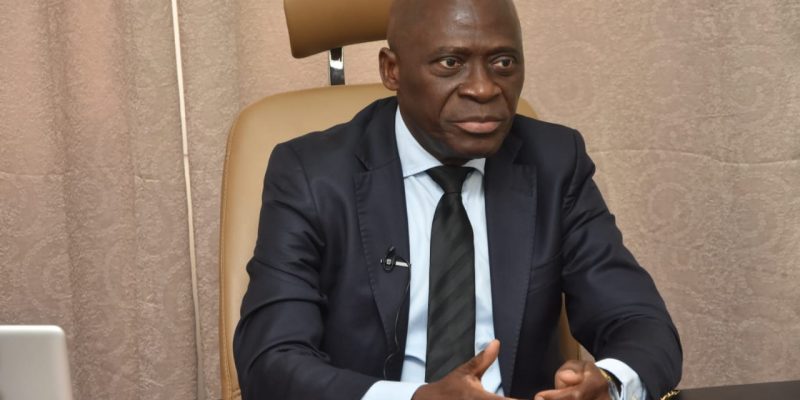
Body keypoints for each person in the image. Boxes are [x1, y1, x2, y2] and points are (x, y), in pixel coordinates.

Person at [233, 0, 682, 399]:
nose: (483, 88)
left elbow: (642, 324)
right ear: (392, 70)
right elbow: (270, 361)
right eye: (451, 63)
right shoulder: (311, 174)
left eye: (503, 62)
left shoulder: (555, 162)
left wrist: (610, 383)